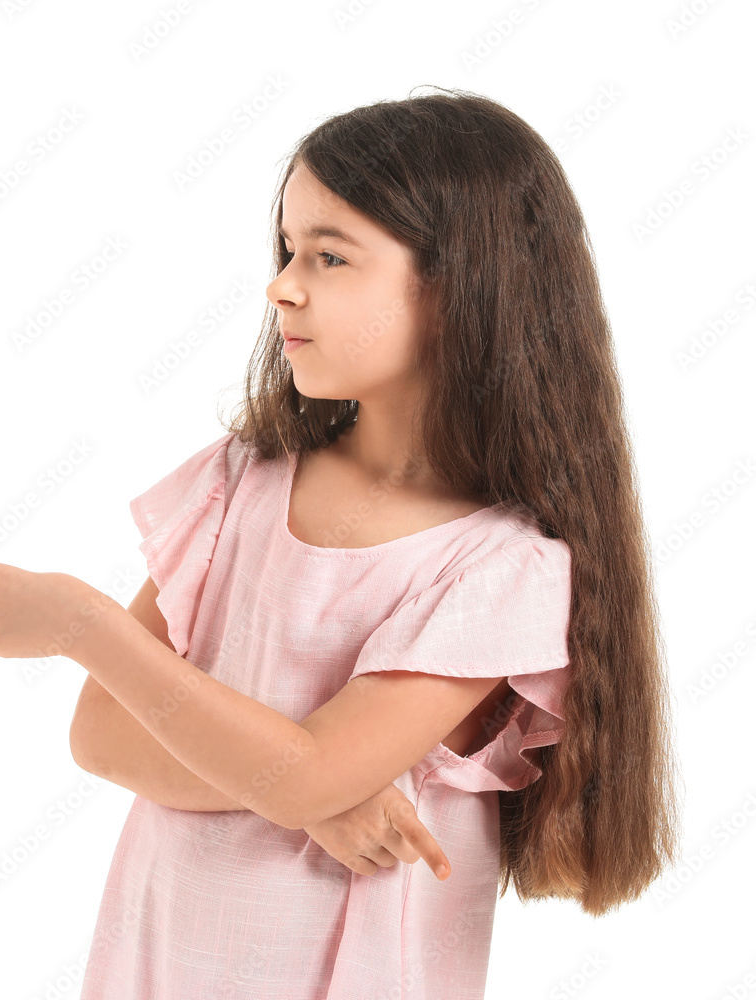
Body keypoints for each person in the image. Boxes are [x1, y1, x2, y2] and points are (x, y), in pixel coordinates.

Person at [70, 87, 683, 1000]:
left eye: (328, 255)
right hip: (161, 954)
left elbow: (306, 767)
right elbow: (101, 732)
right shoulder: (240, 483)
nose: (282, 284)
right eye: (285, 250)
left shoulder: (499, 570)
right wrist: (308, 794)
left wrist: (80, 624)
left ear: (458, 286)